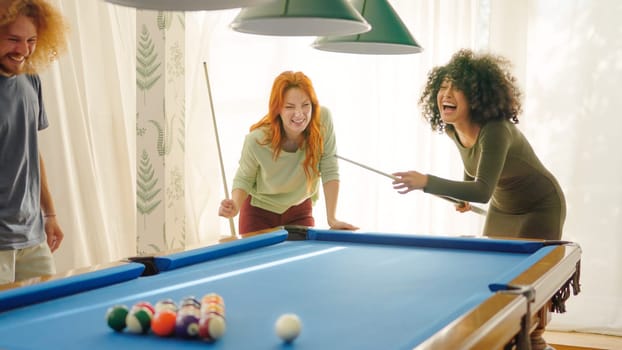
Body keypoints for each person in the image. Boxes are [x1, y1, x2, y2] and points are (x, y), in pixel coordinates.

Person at [392, 49, 566, 241]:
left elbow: (482, 191)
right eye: (442, 86)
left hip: (539, 206)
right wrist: (464, 194)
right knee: (494, 263)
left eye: (457, 88)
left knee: (532, 271)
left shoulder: (495, 131)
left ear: (476, 96)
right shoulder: (454, 129)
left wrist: (426, 182)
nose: (447, 94)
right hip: (502, 207)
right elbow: (473, 162)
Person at [218, 71, 358, 234]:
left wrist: (332, 218)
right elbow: (244, 178)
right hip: (259, 212)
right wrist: (234, 206)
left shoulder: (323, 120)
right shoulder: (257, 140)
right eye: (290, 107)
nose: (299, 114)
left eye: (306, 105)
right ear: (277, 109)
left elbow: (329, 166)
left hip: (300, 209)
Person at [0, 0, 68, 284]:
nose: (23, 50)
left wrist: (49, 213)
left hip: (31, 231)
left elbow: (31, 150)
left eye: (31, 41)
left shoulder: (31, 80)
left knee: (50, 312)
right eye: (13, 39)